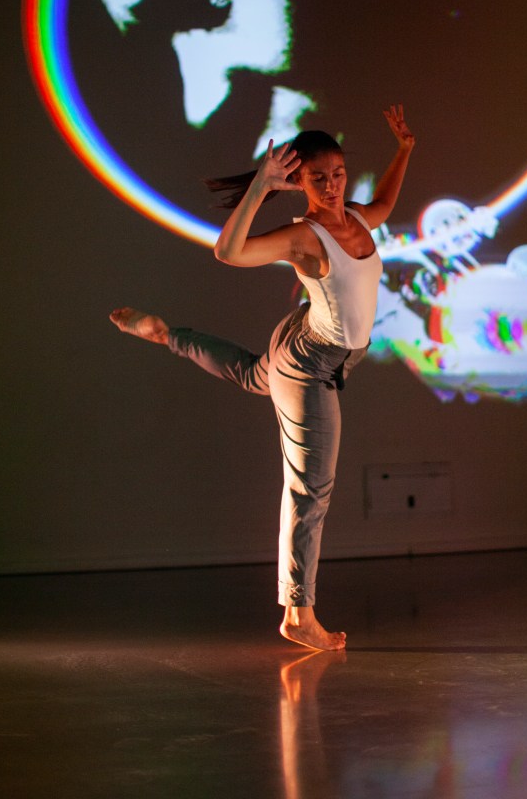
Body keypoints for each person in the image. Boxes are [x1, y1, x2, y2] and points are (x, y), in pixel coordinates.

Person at [110, 104, 415, 650]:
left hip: (310, 342)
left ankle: (166, 335)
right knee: (310, 488)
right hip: (311, 361)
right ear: (299, 183)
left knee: (254, 375)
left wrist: (405, 150)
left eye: (338, 173)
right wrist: (260, 187)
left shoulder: (358, 217)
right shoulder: (305, 238)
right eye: (318, 178)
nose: (331, 186)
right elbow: (228, 252)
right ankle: (298, 613)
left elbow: (387, 204)